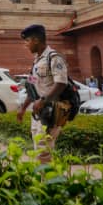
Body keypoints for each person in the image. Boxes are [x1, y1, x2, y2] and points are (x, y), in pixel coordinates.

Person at [16, 24, 68, 163]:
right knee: (39, 149)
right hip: (38, 113)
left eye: (27, 41)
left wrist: (43, 100)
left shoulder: (54, 58)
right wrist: (23, 107)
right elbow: (33, 87)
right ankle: (43, 181)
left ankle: (47, 183)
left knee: (43, 152)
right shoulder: (37, 61)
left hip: (51, 113)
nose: (26, 45)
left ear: (36, 40)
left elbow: (61, 83)